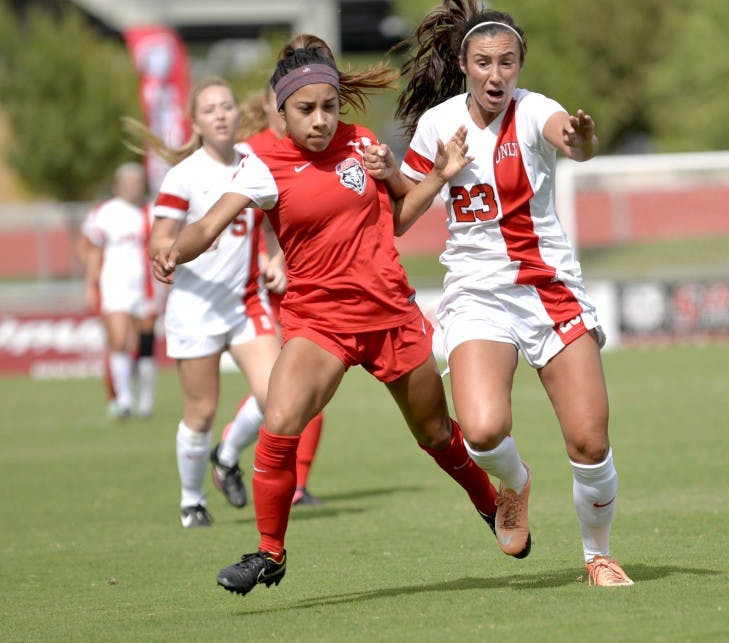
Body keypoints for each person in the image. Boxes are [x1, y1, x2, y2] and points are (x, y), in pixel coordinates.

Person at [151, 34, 500, 596]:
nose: (319, 120)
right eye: (305, 110)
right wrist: (171, 250)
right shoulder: (262, 165)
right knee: (280, 424)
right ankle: (269, 552)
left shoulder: (362, 143)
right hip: (319, 322)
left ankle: (492, 503)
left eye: (328, 107)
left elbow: (402, 216)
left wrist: (435, 174)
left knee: (437, 434)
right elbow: (208, 226)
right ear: (279, 112)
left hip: (389, 315)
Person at [368, 0, 634, 587]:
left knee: (591, 442)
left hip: (549, 287)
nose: (496, 74)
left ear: (520, 67)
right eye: (483, 63)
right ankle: (514, 486)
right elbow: (402, 217)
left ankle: (598, 554)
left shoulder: (536, 109)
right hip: (477, 293)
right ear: (464, 66)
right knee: (484, 430)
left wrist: (584, 135)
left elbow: (574, 139)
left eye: (506, 63)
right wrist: (439, 173)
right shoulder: (439, 125)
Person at [129, 76, 286, 528]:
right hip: (195, 308)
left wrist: (278, 258)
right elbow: (161, 235)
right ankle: (191, 501)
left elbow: (275, 226)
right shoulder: (184, 176)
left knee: (278, 396)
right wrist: (164, 254)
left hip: (244, 303)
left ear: (238, 115)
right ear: (195, 122)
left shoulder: (254, 164)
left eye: (226, 106)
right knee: (200, 413)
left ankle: (229, 453)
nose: (220, 114)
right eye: (210, 109)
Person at [234, 84, 327, 507]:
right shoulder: (248, 152)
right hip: (257, 286)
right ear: (275, 101)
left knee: (305, 391)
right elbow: (230, 221)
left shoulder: (321, 145)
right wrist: (272, 258)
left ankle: (297, 485)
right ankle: (225, 452)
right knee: (282, 390)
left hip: (303, 282)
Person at [77, 161, 159, 420]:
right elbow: (88, 248)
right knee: (119, 340)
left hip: (146, 286)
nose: (134, 187)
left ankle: (146, 401)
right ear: (118, 186)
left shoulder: (152, 211)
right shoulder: (105, 212)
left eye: (138, 182)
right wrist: (91, 284)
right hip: (114, 285)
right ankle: (124, 399)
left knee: (146, 344)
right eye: (129, 183)